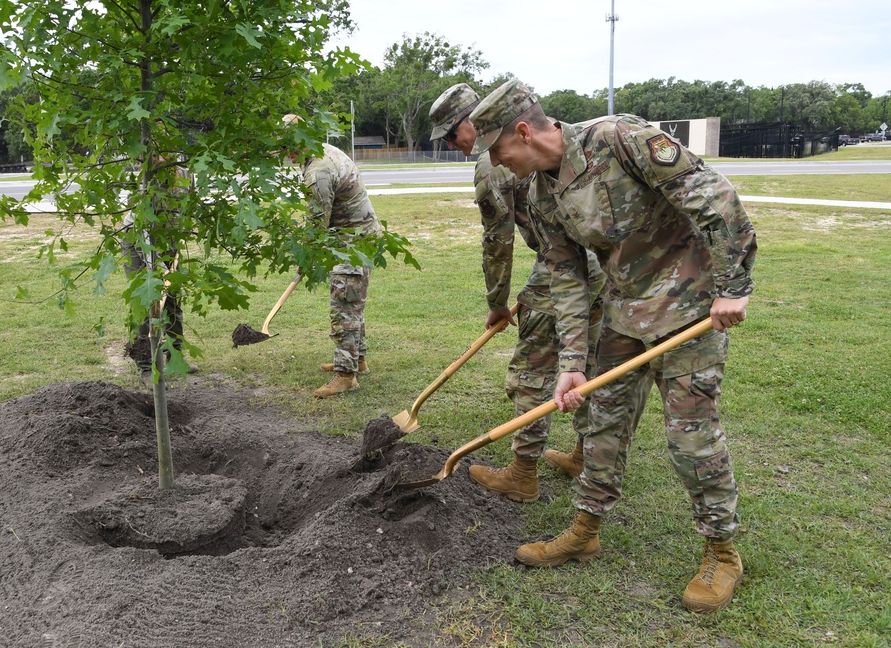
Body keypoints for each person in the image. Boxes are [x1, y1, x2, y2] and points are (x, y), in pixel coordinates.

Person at [468, 78, 757, 613]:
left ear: (524, 132)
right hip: (624, 314)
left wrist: (733, 286)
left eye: (497, 149)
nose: (498, 164)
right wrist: (572, 363)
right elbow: (567, 278)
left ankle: (722, 551)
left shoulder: (620, 138)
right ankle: (584, 530)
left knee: (690, 437)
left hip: (690, 305)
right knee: (602, 422)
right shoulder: (540, 191)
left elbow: (713, 196)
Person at [429, 84, 631, 503]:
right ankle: (582, 455)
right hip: (595, 265)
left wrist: (497, 304)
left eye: (452, 135)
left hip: (565, 266)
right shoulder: (523, 143)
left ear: (470, 121)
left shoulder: (492, 165)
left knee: (531, 368)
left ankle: (523, 473)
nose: (454, 145)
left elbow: (497, 242)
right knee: (587, 360)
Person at [284, 114, 381, 398]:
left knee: (344, 307)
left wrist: (305, 257)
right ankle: (358, 360)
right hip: (358, 238)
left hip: (351, 243)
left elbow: (317, 225)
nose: (286, 155)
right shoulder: (325, 150)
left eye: (288, 146)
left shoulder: (318, 171)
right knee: (354, 304)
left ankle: (345, 375)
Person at [121, 152, 197, 386]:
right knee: (147, 301)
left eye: (164, 152)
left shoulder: (185, 175)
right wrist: (158, 268)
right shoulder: (143, 181)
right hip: (138, 240)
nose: (161, 159)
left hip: (169, 238)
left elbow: (189, 205)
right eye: (154, 154)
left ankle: (175, 357)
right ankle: (146, 367)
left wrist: (182, 231)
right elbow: (144, 230)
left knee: (173, 300)